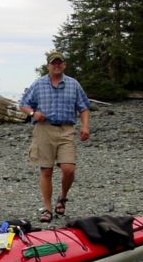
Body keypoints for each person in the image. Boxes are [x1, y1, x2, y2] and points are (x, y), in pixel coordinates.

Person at [19, 51, 91, 223]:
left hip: (66, 129)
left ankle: (63, 197)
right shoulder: (38, 84)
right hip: (44, 130)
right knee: (46, 170)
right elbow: (23, 104)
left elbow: (84, 107)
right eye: (53, 63)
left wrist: (85, 126)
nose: (56, 65)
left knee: (68, 169)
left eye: (59, 62)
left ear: (64, 65)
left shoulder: (73, 84)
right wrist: (33, 113)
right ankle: (47, 209)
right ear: (48, 65)